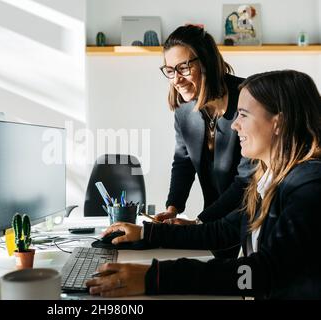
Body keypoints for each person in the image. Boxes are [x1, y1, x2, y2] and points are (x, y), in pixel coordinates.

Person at [86, 70, 321, 299]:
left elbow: (260, 274)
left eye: (244, 115)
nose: (234, 125)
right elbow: (222, 231)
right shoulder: (267, 179)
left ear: (278, 122)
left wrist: (155, 277)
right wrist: (147, 233)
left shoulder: (308, 187)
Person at [155, 25, 253, 229]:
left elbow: (246, 179)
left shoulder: (248, 99)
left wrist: (199, 222)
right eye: (170, 70)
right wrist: (173, 208)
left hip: (250, 218)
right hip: (213, 218)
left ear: (206, 63)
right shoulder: (183, 112)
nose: (176, 79)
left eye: (183, 68)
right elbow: (183, 163)